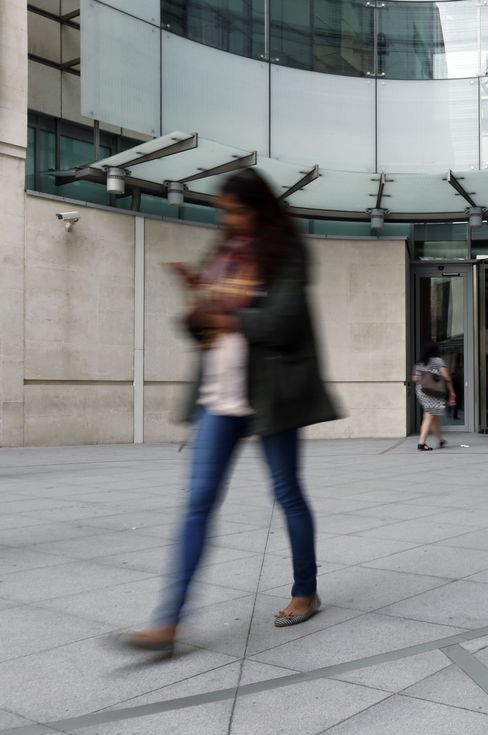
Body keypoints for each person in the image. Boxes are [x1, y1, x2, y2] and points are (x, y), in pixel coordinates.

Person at [121, 168, 339, 652]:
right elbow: (201, 326)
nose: (230, 220)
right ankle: (168, 622)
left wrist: (220, 311)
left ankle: (306, 589)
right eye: (224, 213)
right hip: (218, 394)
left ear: (259, 207)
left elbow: (282, 321)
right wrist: (196, 295)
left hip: (269, 391)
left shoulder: (287, 251)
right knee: (198, 500)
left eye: (236, 211)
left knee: (287, 494)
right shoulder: (223, 253)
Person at [413, 340, 456, 450]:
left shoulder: (419, 363)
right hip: (434, 391)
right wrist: (451, 391)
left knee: (432, 416)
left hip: (421, 391)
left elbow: (415, 378)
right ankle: (421, 443)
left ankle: (441, 440)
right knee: (429, 415)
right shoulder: (437, 361)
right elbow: (446, 377)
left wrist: (425, 376)